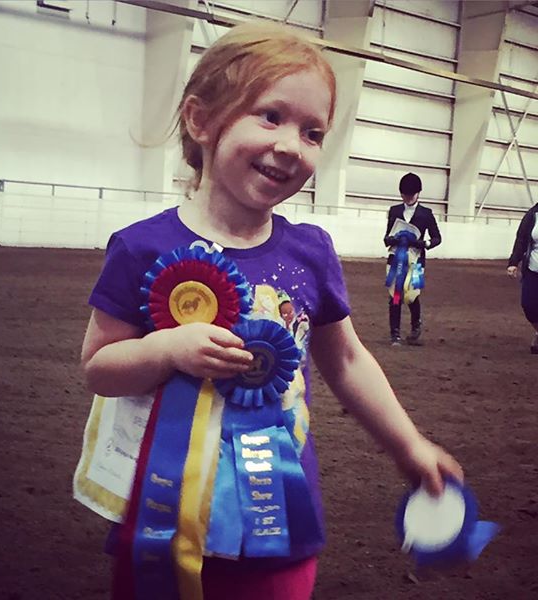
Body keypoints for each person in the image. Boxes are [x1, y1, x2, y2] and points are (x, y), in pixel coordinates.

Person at [79, 22, 462, 600]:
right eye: (270, 116)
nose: (291, 145)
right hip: (163, 521)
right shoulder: (140, 248)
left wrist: (408, 445)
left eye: (312, 132)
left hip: (279, 521)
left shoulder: (311, 252)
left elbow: (347, 362)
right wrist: (167, 349)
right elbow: (99, 367)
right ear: (200, 120)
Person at [384, 173, 442, 346]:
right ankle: (395, 333)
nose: (408, 199)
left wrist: (424, 243)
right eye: (405, 195)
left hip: (416, 261)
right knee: (395, 294)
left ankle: (416, 324)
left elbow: (437, 238)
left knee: (412, 295)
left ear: (418, 193)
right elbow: (387, 236)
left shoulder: (426, 214)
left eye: (411, 195)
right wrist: (392, 239)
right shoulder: (394, 211)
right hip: (395, 259)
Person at [507, 202, 538, 354]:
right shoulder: (533, 214)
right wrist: (513, 262)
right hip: (533, 268)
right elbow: (521, 239)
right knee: (528, 305)